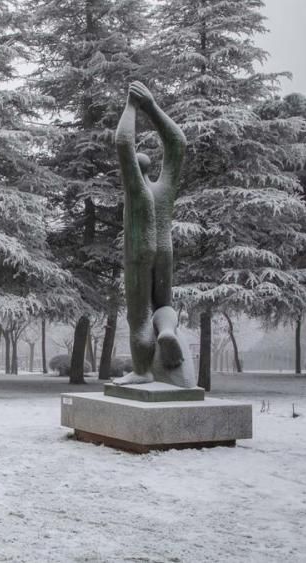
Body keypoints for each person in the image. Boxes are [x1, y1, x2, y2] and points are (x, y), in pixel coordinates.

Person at [112, 81, 195, 388]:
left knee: (138, 315)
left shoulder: (137, 190)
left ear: (136, 168)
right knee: (163, 303)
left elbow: (123, 143)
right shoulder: (164, 189)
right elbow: (178, 144)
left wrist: (132, 106)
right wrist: (152, 106)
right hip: (165, 249)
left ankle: (143, 369)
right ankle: (167, 331)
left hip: (139, 254)